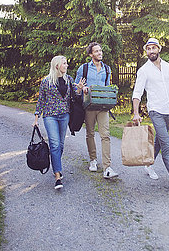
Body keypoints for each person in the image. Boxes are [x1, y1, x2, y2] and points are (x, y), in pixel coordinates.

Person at [132, 38, 169, 194]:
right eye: (148, 49)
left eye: (153, 48)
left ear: (159, 49)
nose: (151, 51)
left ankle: (149, 165)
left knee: (159, 140)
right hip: (155, 110)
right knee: (166, 145)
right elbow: (137, 93)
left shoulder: (168, 67)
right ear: (146, 51)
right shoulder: (144, 70)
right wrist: (136, 113)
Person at [34, 55, 85, 190]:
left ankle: (56, 165)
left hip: (64, 116)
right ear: (57, 66)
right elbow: (41, 100)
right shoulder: (46, 81)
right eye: (64, 63)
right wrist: (36, 118)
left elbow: (75, 95)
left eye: (66, 63)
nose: (66, 65)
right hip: (50, 116)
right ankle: (57, 176)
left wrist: (79, 88)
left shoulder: (69, 79)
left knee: (60, 145)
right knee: (55, 144)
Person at [75, 42, 118, 179]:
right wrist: (83, 88)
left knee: (105, 135)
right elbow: (77, 86)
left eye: (100, 51)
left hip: (103, 106)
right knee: (90, 133)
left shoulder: (107, 68)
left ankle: (107, 167)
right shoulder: (84, 68)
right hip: (88, 106)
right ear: (91, 54)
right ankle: (93, 160)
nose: (100, 53)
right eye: (97, 51)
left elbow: (106, 86)